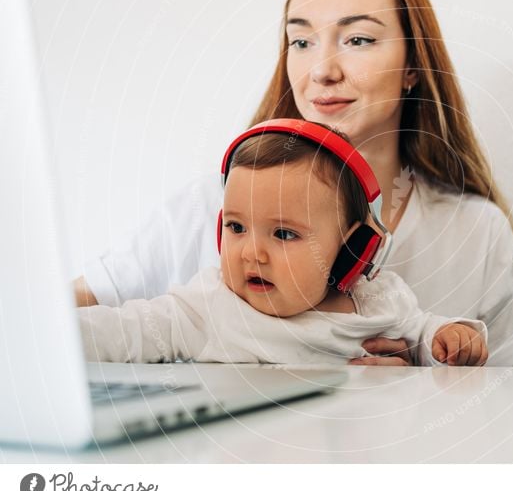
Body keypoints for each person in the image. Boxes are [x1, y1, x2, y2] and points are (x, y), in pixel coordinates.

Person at [74, 0, 513, 367]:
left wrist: (420, 390)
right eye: (301, 41)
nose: (321, 70)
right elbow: (60, 321)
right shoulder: (204, 206)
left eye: (358, 39)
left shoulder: (478, 233)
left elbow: (511, 408)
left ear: (412, 68)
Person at [80, 125, 488, 366]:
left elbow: (421, 333)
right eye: (237, 227)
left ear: (352, 251)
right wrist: (56, 336)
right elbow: (125, 330)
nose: (250, 253)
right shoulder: (208, 306)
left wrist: (447, 337)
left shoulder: (379, 302)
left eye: (283, 234)